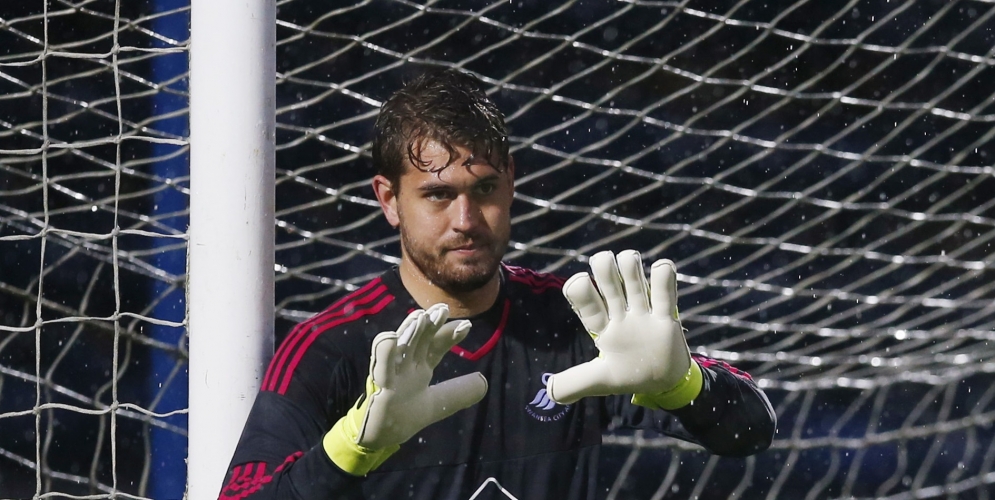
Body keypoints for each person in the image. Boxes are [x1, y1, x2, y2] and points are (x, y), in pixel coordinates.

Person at [218, 69, 776, 500]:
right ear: (388, 199)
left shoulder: (573, 323)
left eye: (483, 189)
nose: (465, 220)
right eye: (438, 194)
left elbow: (751, 433)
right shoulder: (330, 348)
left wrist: (684, 385)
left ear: (510, 182)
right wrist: (353, 448)